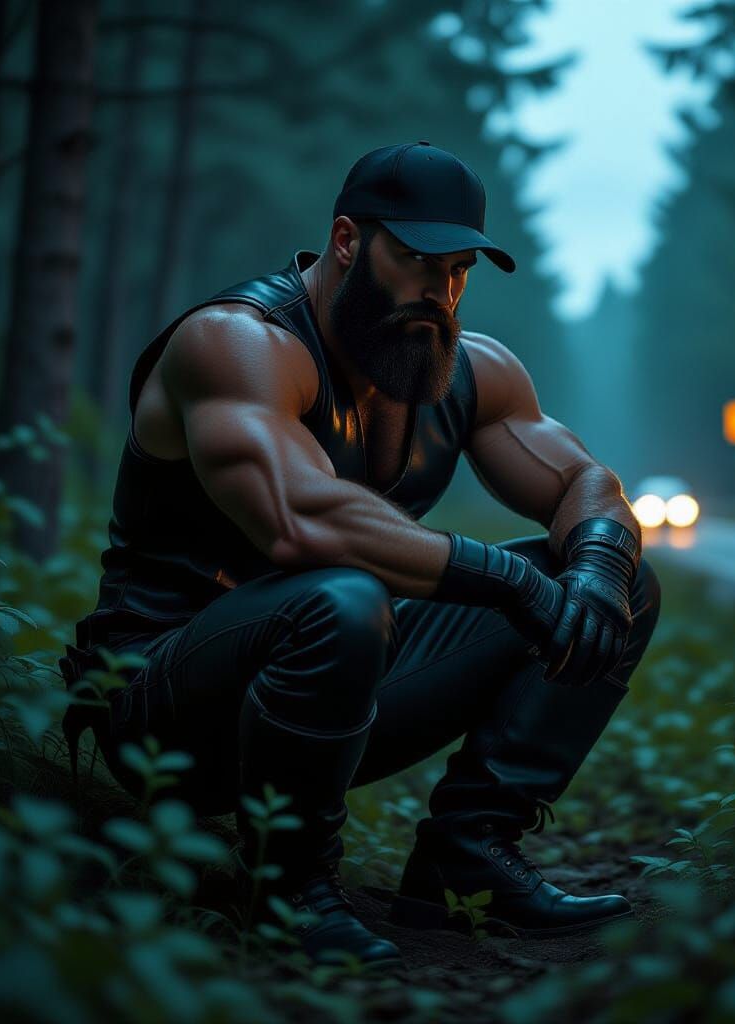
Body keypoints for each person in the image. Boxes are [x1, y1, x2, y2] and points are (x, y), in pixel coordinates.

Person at [59, 141, 661, 971]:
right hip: (164, 708)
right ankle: (290, 891)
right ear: (347, 240)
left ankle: (466, 857)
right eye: (416, 260)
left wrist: (595, 562)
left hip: (327, 688)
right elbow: (298, 522)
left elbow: (585, 481)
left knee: (617, 579)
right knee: (340, 594)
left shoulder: (470, 369)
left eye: (457, 269)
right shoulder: (238, 343)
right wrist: (505, 578)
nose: (439, 290)